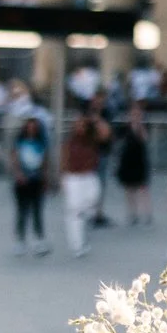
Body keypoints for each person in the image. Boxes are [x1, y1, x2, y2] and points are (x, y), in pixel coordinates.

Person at [59, 104, 105, 256]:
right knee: (74, 212)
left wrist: (95, 119)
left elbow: (106, 134)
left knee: (93, 199)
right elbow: (64, 159)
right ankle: (77, 245)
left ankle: (84, 219)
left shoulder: (92, 138)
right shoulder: (70, 141)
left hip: (89, 176)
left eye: (82, 124)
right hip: (73, 177)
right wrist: (62, 177)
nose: (79, 127)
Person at [9, 116, 51, 256]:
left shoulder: (41, 143)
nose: (31, 129)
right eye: (29, 127)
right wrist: (19, 174)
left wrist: (45, 179)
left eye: (34, 127)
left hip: (36, 180)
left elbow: (45, 162)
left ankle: (39, 240)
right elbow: (14, 159)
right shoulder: (19, 142)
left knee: (37, 211)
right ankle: (20, 241)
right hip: (22, 181)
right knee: (22, 211)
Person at [111, 104, 152, 229]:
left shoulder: (144, 126)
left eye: (137, 114)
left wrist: (139, 126)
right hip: (127, 160)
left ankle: (146, 213)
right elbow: (117, 139)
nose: (135, 116)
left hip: (140, 160)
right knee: (129, 189)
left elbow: (145, 139)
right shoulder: (125, 127)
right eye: (133, 114)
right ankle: (132, 213)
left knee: (143, 188)